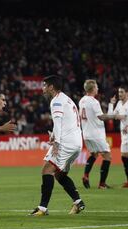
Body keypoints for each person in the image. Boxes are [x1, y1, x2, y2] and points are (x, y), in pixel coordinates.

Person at [29, 75, 85, 216]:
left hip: (66, 142)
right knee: (60, 175)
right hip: (76, 143)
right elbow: (64, 122)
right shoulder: (67, 99)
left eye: (44, 85)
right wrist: (54, 135)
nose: (43, 88)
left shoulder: (56, 101)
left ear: (51, 87)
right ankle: (78, 203)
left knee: (47, 170)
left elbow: (59, 122)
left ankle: (42, 208)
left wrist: (57, 143)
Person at [79, 80, 117, 189]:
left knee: (94, 155)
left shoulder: (82, 100)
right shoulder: (94, 102)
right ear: (92, 89)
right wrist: (113, 117)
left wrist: (110, 105)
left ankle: (86, 175)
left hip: (86, 133)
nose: (98, 89)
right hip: (96, 134)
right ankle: (102, 184)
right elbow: (101, 117)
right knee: (107, 157)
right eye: (96, 87)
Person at [108, 86, 128, 188]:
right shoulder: (119, 104)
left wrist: (126, 122)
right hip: (124, 134)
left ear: (127, 93)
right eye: (119, 92)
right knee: (124, 157)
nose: (119, 94)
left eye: (122, 92)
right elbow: (111, 115)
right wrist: (111, 104)